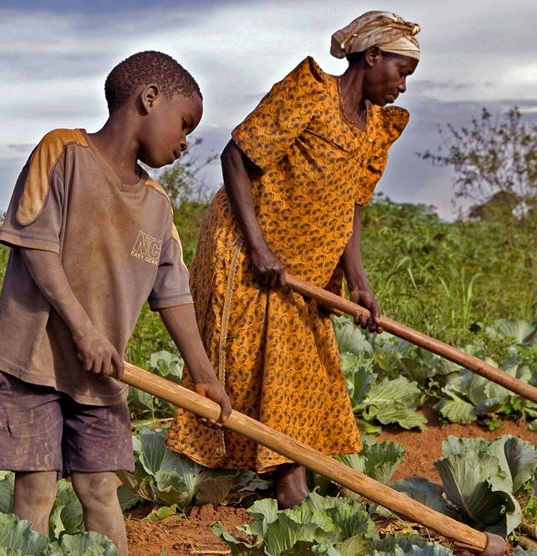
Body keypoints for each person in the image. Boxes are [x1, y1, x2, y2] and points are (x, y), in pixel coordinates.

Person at [0, 51, 231, 556]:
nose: (185, 142)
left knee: (101, 493)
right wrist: (83, 328)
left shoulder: (157, 206)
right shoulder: (63, 151)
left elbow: (174, 295)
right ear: (148, 99)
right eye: (185, 123)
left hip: (101, 376)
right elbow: (35, 246)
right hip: (33, 360)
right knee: (36, 494)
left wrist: (203, 374)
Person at [166, 11, 420, 509]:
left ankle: (282, 474)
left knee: (304, 366)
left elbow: (350, 205)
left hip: (306, 272)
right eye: (400, 71)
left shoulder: (374, 130)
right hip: (247, 250)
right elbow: (235, 157)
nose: (403, 86)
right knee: (256, 362)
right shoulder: (309, 92)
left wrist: (358, 280)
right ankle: (283, 480)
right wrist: (260, 248)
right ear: (371, 57)